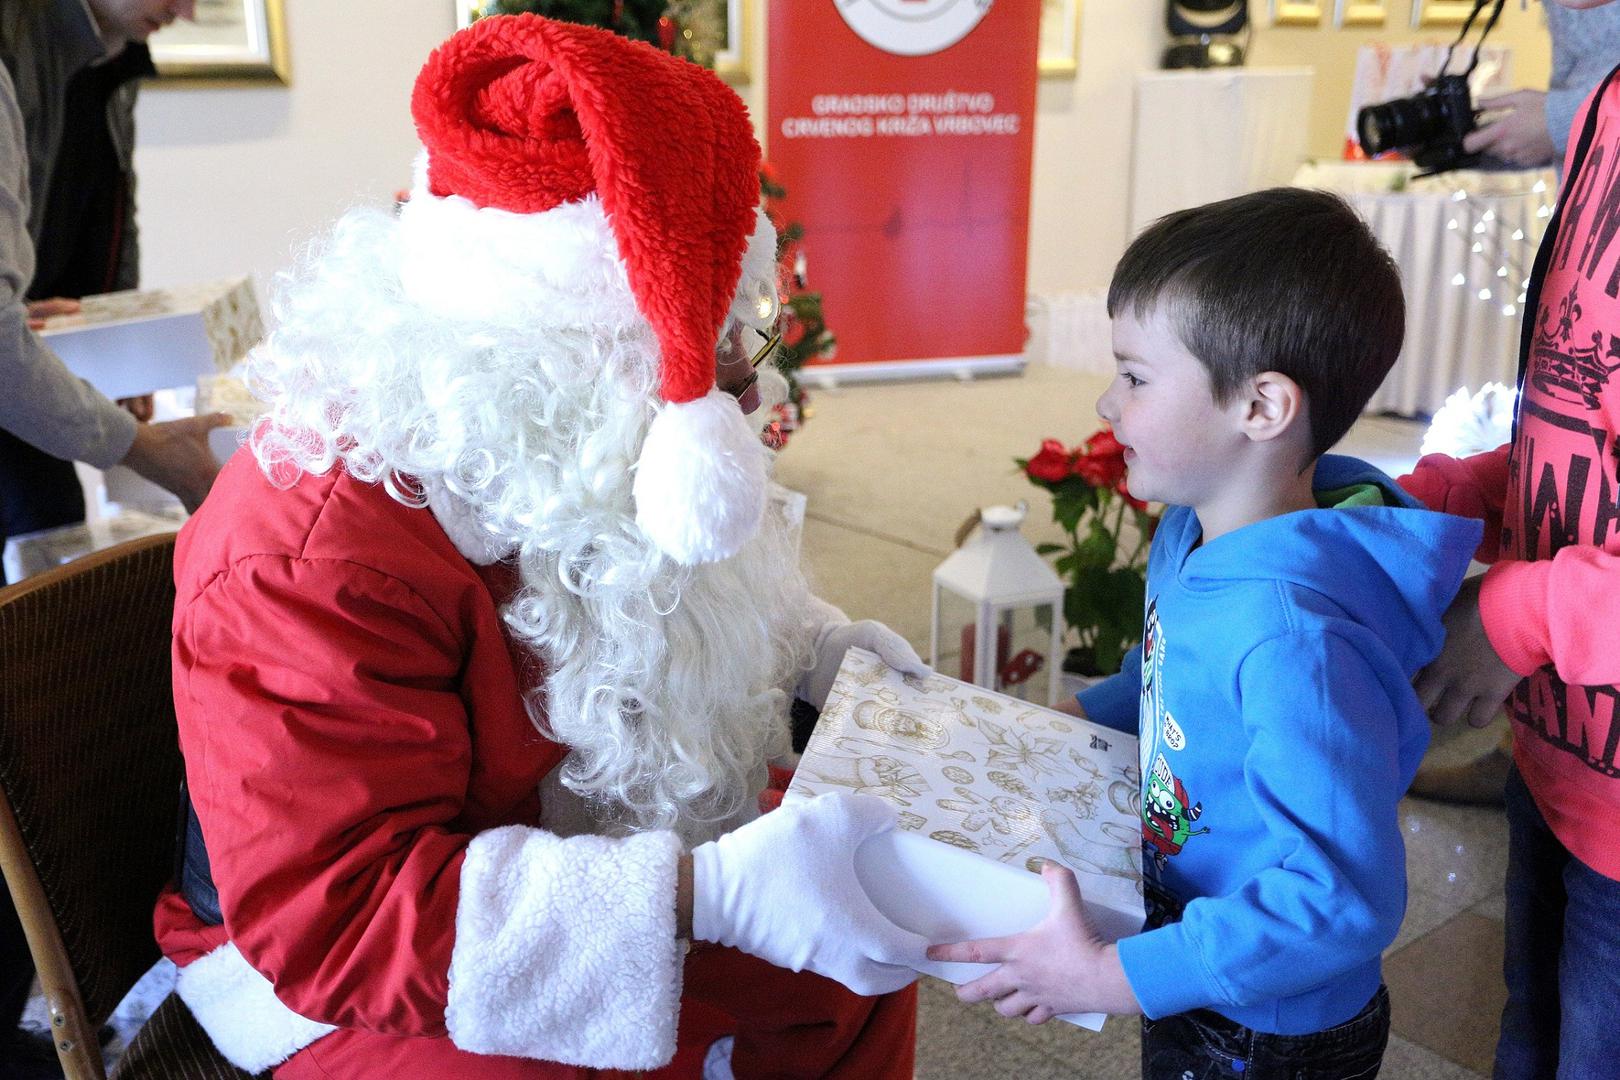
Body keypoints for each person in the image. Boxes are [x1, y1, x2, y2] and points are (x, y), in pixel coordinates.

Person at [152, 15, 928, 1078]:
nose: (745, 399)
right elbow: (340, 920)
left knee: (870, 933)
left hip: (598, 837)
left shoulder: (556, 431)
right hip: (359, 971)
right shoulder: (314, 550)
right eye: (699, 366)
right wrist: (713, 895)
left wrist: (812, 656)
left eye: (739, 346)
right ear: (547, 365)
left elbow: (663, 599)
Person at [927, 188, 1481, 1079]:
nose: (1107, 402)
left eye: (1136, 377)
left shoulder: (1295, 642)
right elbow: (1167, 671)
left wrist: (1109, 977)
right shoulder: (1194, 529)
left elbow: (1338, 899)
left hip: (1266, 1026)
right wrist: (1069, 720)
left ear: (1261, 407)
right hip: (1194, 954)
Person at [1397, 0, 1620, 1072]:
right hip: (1562, 759)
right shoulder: (1607, 109)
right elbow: (1583, 413)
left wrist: (1513, 615)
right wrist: (1457, 497)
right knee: (1530, 1034)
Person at [0, 0, 221, 557]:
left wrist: (129, 340)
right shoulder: (15, 48)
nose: (188, 11)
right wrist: (147, 450)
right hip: (13, 373)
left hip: (26, 361)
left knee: (51, 533)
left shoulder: (115, 60)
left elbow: (117, 207)